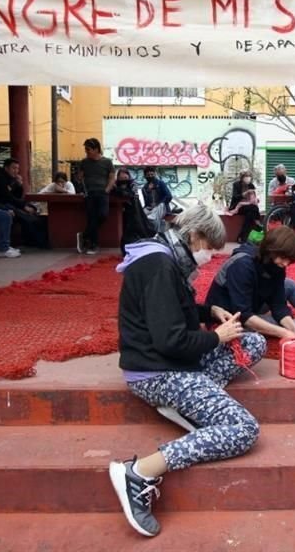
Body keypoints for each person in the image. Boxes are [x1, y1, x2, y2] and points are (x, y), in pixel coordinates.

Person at [109, 204, 266, 537]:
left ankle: (195, 399)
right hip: (157, 371)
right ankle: (138, 472)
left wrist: (210, 311)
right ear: (194, 236)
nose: (210, 255)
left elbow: (173, 312)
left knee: (253, 343)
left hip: (175, 363)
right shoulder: (159, 266)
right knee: (243, 429)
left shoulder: (163, 259)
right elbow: (171, 341)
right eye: (209, 247)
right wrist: (214, 337)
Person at [0, 158, 48, 248]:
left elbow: (17, 196)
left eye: (17, 169)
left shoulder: (10, 179)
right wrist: (24, 207)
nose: (16, 171)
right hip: (0, 206)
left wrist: (19, 185)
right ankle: (39, 243)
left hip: (9, 204)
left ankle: (31, 241)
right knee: (28, 218)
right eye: (13, 168)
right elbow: (7, 197)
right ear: (6, 168)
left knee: (33, 210)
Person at [78, 138, 115, 255]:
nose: (86, 152)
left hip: (103, 193)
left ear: (96, 149)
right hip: (89, 193)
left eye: (88, 149)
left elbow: (112, 177)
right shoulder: (84, 162)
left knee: (103, 215)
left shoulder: (107, 162)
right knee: (92, 218)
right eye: (86, 149)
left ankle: (85, 235)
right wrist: (82, 187)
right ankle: (93, 245)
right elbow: (80, 177)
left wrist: (107, 190)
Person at [110, 167, 153, 255]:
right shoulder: (115, 185)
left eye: (125, 178)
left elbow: (129, 195)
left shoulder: (133, 185)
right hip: (120, 213)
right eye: (121, 178)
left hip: (134, 212)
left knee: (136, 231)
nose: (123, 180)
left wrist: (119, 190)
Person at [226, 169, 261, 244]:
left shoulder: (251, 185)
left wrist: (255, 199)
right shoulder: (236, 184)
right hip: (238, 205)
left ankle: (242, 237)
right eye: (246, 176)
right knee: (253, 209)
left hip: (248, 206)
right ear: (242, 177)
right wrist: (245, 193)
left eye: (249, 176)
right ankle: (257, 223)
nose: (248, 178)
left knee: (250, 212)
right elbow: (235, 197)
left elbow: (253, 196)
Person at [141, 166, 174, 233]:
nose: (150, 176)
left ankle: (156, 232)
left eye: (152, 174)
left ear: (155, 174)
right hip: (150, 209)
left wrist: (159, 203)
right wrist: (148, 191)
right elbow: (146, 203)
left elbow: (169, 196)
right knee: (141, 213)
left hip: (161, 207)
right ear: (145, 176)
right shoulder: (144, 188)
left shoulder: (160, 183)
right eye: (148, 175)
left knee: (159, 208)